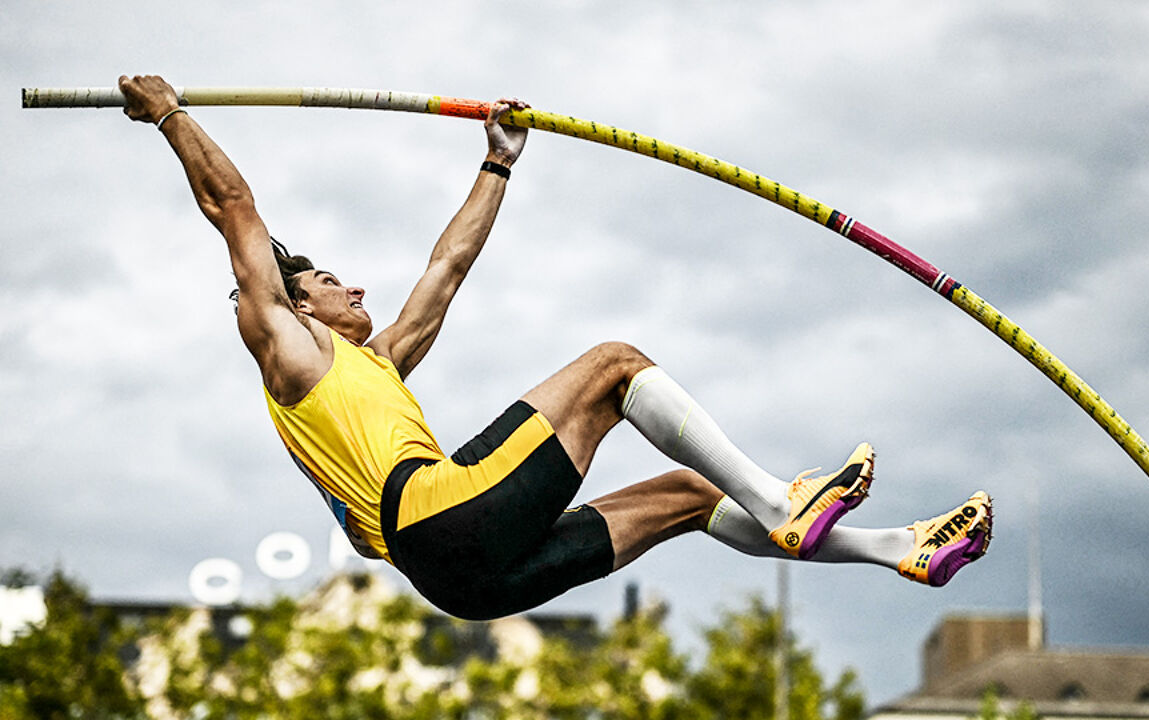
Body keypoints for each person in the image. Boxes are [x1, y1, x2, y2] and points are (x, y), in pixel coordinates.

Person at [119, 74, 993, 621]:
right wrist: (171, 117)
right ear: (295, 304)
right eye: (333, 284)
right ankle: (784, 500)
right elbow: (233, 205)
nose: (356, 290)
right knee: (614, 365)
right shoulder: (290, 355)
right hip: (435, 515)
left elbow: (448, 267)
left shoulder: (374, 365)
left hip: (465, 580)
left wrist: (498, 161)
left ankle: (899, 550)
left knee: (689, 495)